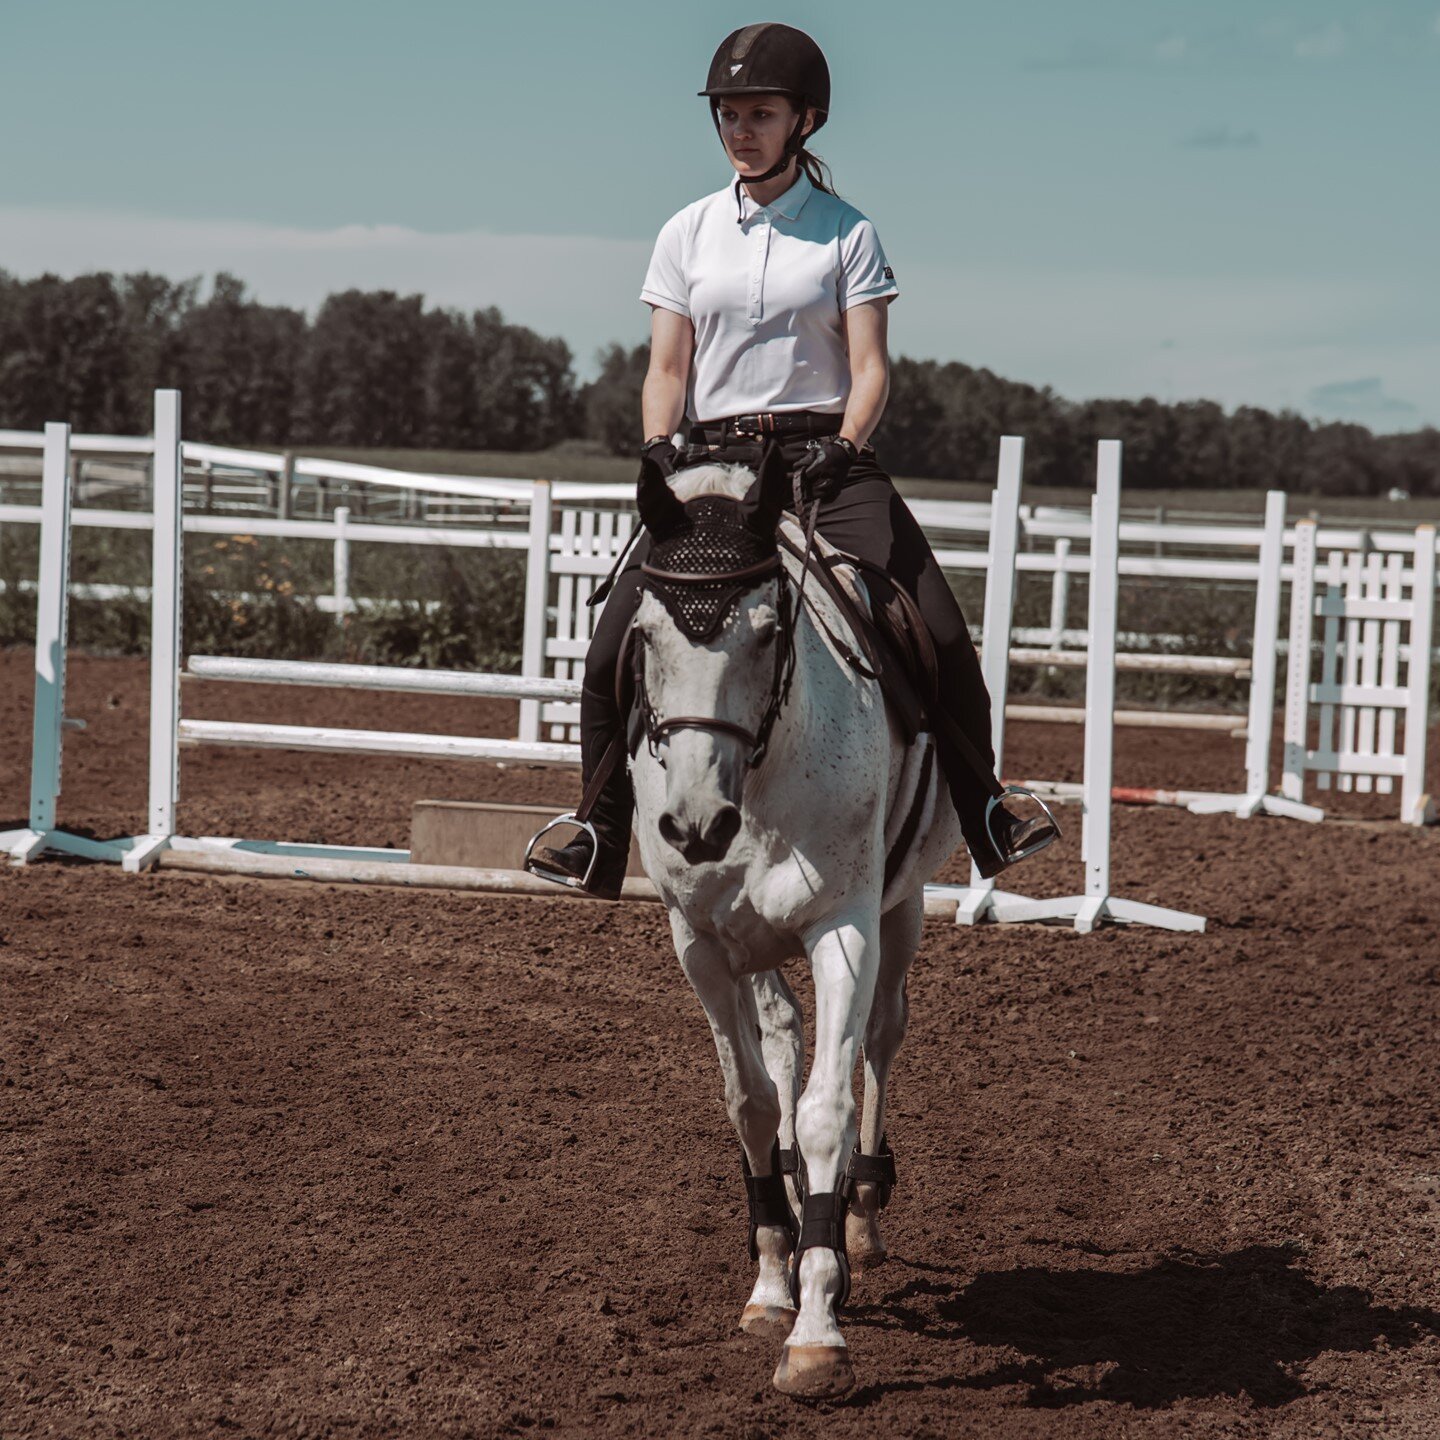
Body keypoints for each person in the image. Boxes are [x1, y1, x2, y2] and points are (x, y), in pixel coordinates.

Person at [529, 21, 1057, 900]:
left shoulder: (848, 234)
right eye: (728, 114)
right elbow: (666, 368)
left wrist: (846, 449)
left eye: (760, 113)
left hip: (825, 458)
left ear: (804, 120)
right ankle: (597, 826)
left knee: (938, 628)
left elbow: (872, 369)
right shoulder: (687, 232)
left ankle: (988, 809)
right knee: (612, 642)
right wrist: (661, 450)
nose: (741, 129)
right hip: (712, 464)